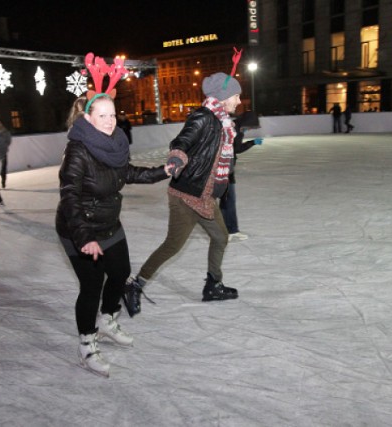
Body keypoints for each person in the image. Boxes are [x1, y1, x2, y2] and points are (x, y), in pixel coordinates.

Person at [56, 89, 171, 377]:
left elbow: (127, 173)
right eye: (102, 116)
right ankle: (86, 344)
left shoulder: (114, 145)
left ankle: (108, 320)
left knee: (120, 273)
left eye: (113, 115)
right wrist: (85, 238)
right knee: (92, 286)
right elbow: (69, 196)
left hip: (108, 223)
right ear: (88, 118)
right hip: (78, 229)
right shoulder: (78, 150)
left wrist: (164, 171)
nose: (109, 121)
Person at [124, 71, 243, 318]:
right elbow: (182, 141)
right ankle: (135, 285)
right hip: (187, 195)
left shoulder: (223, 123)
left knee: (221, 238)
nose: (239, 102)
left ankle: (213, 285)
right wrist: (177, 157)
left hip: (206, 196)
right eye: (236, 96)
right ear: (223, 97)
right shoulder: (203, 117)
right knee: (173, 245)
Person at [221, 111, 262, 242]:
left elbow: (236, 148)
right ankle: (227, 230)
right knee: (227, 201)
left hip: (228, 168)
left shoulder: (238, 129)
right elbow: (232, 148)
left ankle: (231, 230)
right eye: (251, 126)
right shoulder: (234, 129)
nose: (251, 129)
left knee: (228, 201)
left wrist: (252, 143)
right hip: (223, 169)